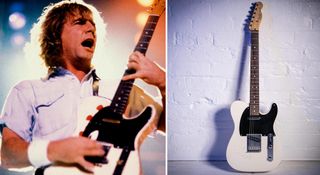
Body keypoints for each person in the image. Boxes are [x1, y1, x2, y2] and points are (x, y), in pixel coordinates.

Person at [0, 0, 165, 173]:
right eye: (80, 22)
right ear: (55, 36)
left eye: (93, 24)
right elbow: (8, 155)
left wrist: (163, 82)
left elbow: (168, 127)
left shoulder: (121, 89)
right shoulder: (27, 90)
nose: (91, 28)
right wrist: (55, 150)